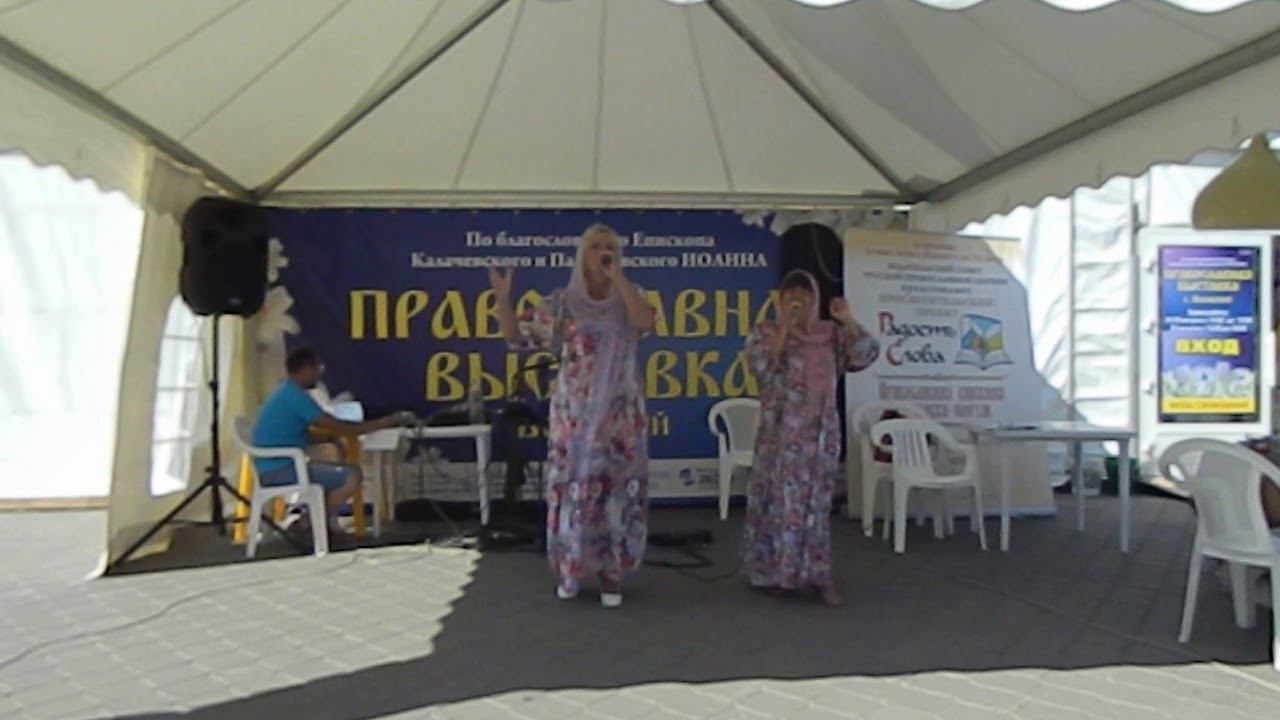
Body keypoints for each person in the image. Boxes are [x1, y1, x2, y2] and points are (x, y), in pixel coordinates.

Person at [489, 223, 655, 608]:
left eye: (609, 246)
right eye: (595, 246)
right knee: (574, 492)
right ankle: (570, 570)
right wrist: (502, 300)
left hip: (619, 419)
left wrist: (619, 279)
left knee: (616, 495)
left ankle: (612, 578)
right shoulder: (564, 303)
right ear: (582, 255)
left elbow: (645, 323)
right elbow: (516, 338)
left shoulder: (631, 297)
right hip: (576, 420)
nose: (603, 252)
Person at [741, 270, 880, 606]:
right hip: (780, 437)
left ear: (816, 299)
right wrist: (785, 329)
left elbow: (866, 353)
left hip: (819, 435)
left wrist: (847, 320)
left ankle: (817, 576)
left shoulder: (830, 335)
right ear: (779, 300)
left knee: (815, 506)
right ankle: (777, 574)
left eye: (804, 293)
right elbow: (761, 368)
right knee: (780, 504)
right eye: (790, 293)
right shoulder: (765, 332)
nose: (798, 299)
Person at [252, 347, 409, 542]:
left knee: (336, 476)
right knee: (352, 476)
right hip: (280, 470)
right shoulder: (296, 397)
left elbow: (294, 434)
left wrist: (329, 439)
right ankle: (308, 524)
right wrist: (387, 421)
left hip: (272, 467)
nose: (320, 373)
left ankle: (312, 524)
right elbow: (342, 427)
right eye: (318, 368)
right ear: (306, 369)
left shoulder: (285, 392)